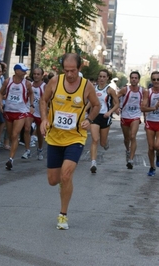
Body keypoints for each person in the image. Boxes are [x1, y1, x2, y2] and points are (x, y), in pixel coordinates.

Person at [39, 53, 100, 230]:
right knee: (53, 180)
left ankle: (63, 215)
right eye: (66, 71)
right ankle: (62, 183)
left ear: (79, 68)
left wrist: (89, 119)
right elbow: (44, 100)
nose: (70, 74)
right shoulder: (55, 82)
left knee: (66, 175)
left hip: (76, 137)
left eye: (73, 71)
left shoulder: (86, 86)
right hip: (55, 136)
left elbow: (96, 105)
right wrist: (44, 119)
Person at [0, 63, 34, 169]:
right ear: (16, 71)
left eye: (25, 71)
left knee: (15, 134)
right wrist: (0, 104)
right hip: (9, 111)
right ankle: (12, 154)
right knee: (10, 136)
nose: (25, 73)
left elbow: (31, 93)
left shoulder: (27, 83)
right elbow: (0, 93)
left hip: (21, 112)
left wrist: (31, 105)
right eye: (23, 70)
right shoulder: (7, 81)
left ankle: (10, 160)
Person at [89, 69, 119, 173]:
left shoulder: (110, 90)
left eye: (104, 77)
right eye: (100, 76)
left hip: (105, 117)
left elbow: (117, 104)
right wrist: (84, 110)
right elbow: (91, 102)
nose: (101, 79)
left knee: (102, 143)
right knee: (94, 139)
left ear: (107, 78)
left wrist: (110, 112)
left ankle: (106, 143)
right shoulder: (93, 89)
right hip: (95, 116)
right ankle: (93, 163)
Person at [117, 71, 144, 169]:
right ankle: (127, 151)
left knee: (133, 136)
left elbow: (145, 103)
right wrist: (116, 107)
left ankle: (131, 160)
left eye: (136, 78)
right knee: (126, 138)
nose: (134, 79)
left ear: (138, 80)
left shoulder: (142, 91)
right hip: (125, 116)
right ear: (130, 79)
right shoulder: (125, 89)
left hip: (135, 116)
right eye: (132, 77)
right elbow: (115, 98)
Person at [31, 67, 46, 160]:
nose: (36, 76)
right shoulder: (30, 84)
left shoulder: (45, 86)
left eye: (38, 74)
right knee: (27, 126)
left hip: (40, 113)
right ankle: (27, 149)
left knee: (40, 134)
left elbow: (49, 98)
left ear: (41, 76)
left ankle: (40, 149)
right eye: (34, 74)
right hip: (30, 111)